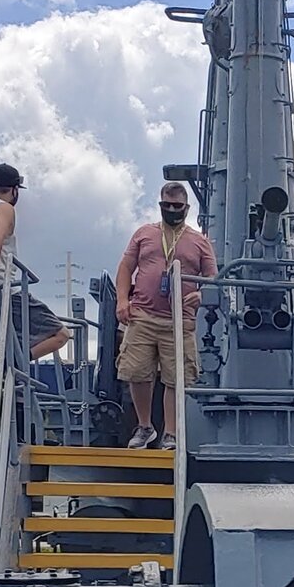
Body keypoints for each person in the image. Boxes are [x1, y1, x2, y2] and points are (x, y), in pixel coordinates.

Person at [113, 180, 216, 451]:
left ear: (186, 208)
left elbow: (213, 278)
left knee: (176, 376)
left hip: (180, 318)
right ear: (160, 205)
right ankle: (145, 426)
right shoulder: (143, 234)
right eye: (166, 205)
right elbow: (125, 267)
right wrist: (122, 300)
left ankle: (170, 432)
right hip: (143, 314)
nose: (172, 210)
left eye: (177, 206)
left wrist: (202, 294)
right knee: (136, 371)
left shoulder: (199, 241)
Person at [0, 163, 69, 362]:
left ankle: (9, 366)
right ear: (15, 190)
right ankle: (12, 364)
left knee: (12, 346)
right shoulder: (4, 209)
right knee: (61, 335)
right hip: (6, 294)